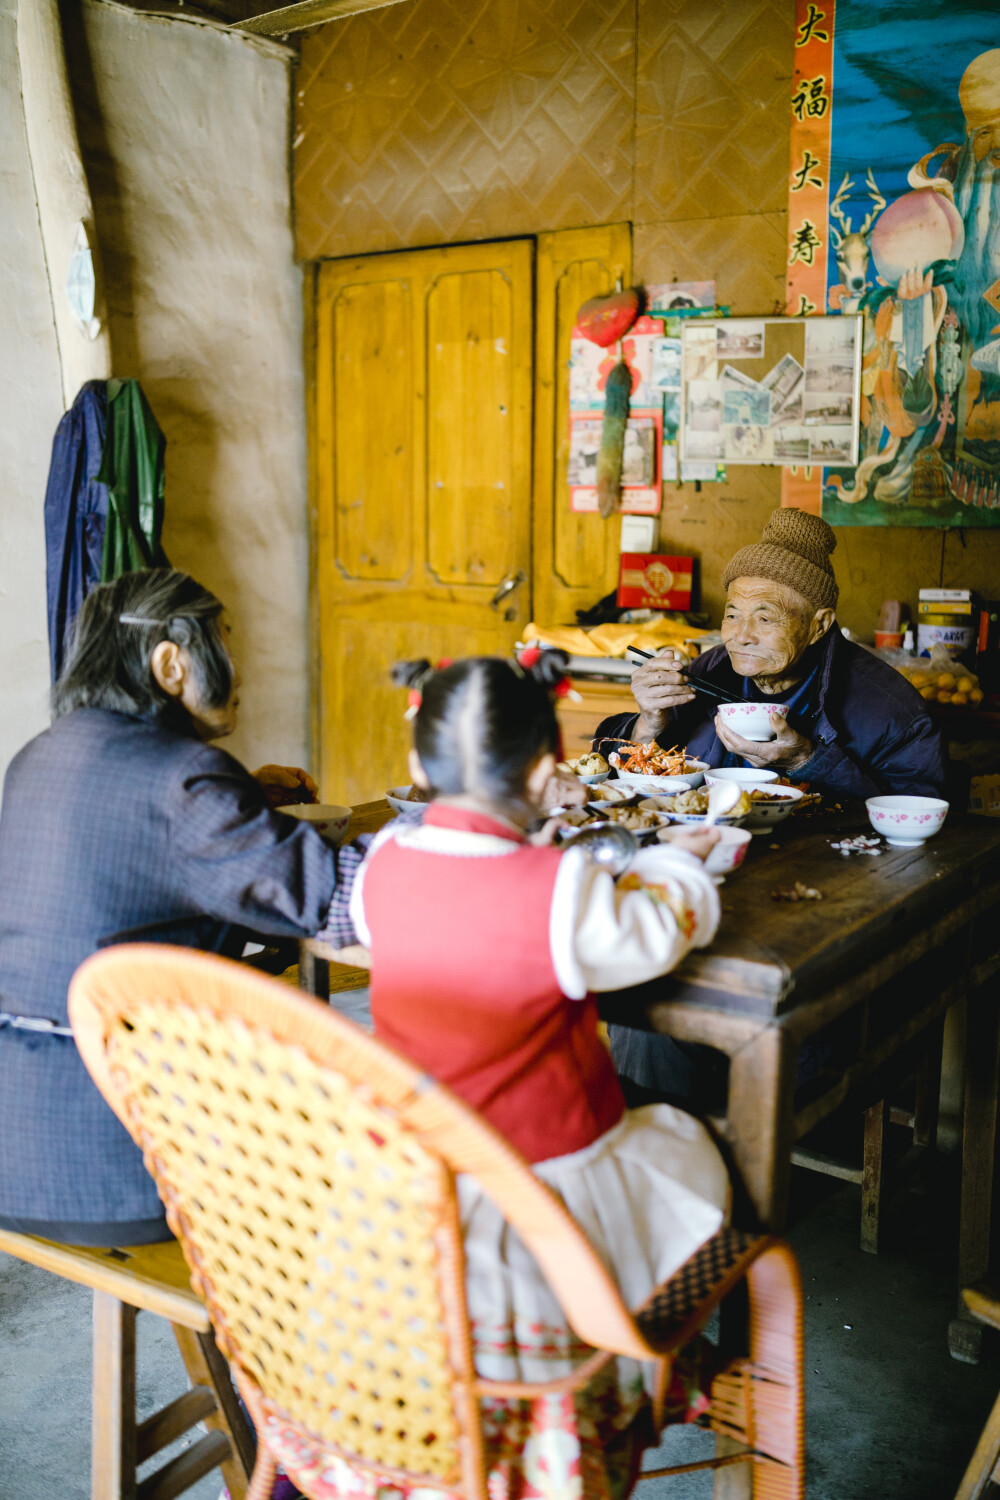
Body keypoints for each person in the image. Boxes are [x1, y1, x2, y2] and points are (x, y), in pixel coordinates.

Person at [347, 651, 731, 1496]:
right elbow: (660, 930)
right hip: (539, 1185)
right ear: (548, 769)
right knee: (694, 1158)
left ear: (417, 764)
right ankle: (666, 1362)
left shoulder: (380, 866)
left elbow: (459, 909)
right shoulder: (560, 892)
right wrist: (681, 862)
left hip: (410, 1178)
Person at [0, 569, 366, 1247]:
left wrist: (247, 801)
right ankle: (301, 1342)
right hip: (122, 1162)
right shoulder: (184, 778)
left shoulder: (37, 756)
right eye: (224, 643)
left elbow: (139, 848)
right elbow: (329, 898)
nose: (239, 667)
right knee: (374, 1143)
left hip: (16, 1146)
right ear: (170, 664)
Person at [595, 507, 947, 802]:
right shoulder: (707, 672)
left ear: (819, 625)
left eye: (765, 617)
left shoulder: (889, 708)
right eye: (732, 614)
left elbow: (921, 818)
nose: (741, 636)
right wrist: (648, 725)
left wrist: (806, 760)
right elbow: (637, 780)